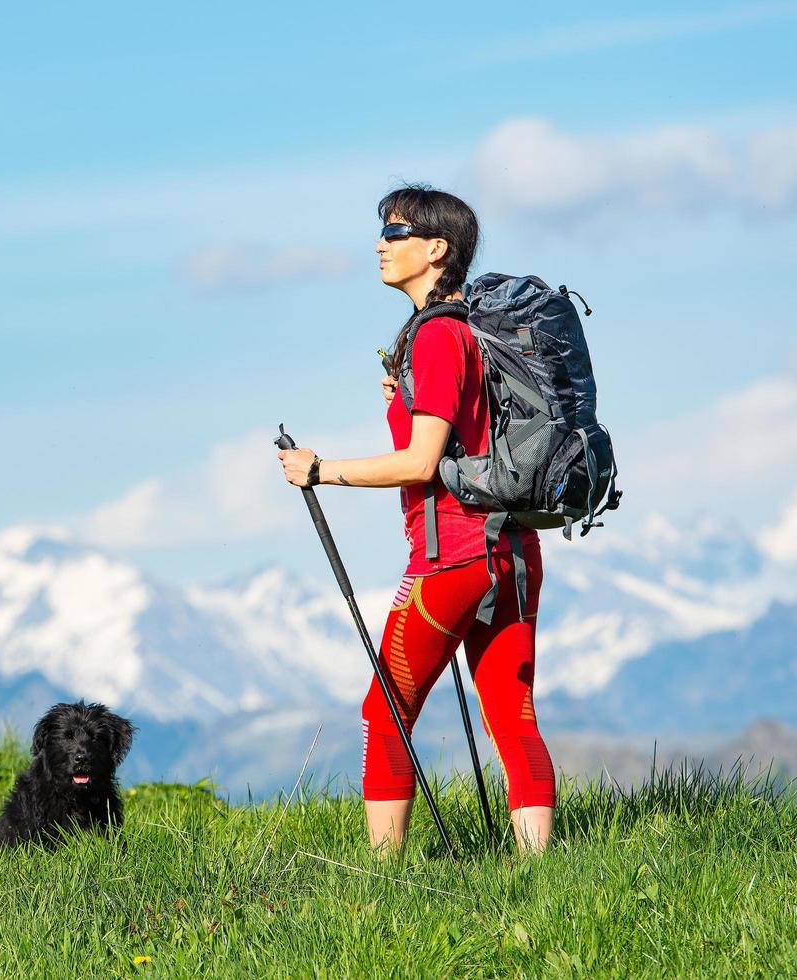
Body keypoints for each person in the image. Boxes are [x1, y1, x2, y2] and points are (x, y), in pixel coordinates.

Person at [277, 184, 555, 854]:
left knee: (385, 715)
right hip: (512, 552)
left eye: (395, 232)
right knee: (513, 718)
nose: (380, 243)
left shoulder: (434, 338)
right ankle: (541, 877)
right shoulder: (470, 333)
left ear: (436, 250)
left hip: (452, 558)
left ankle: (385, 879)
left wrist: (322, 470)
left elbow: (420, 462)